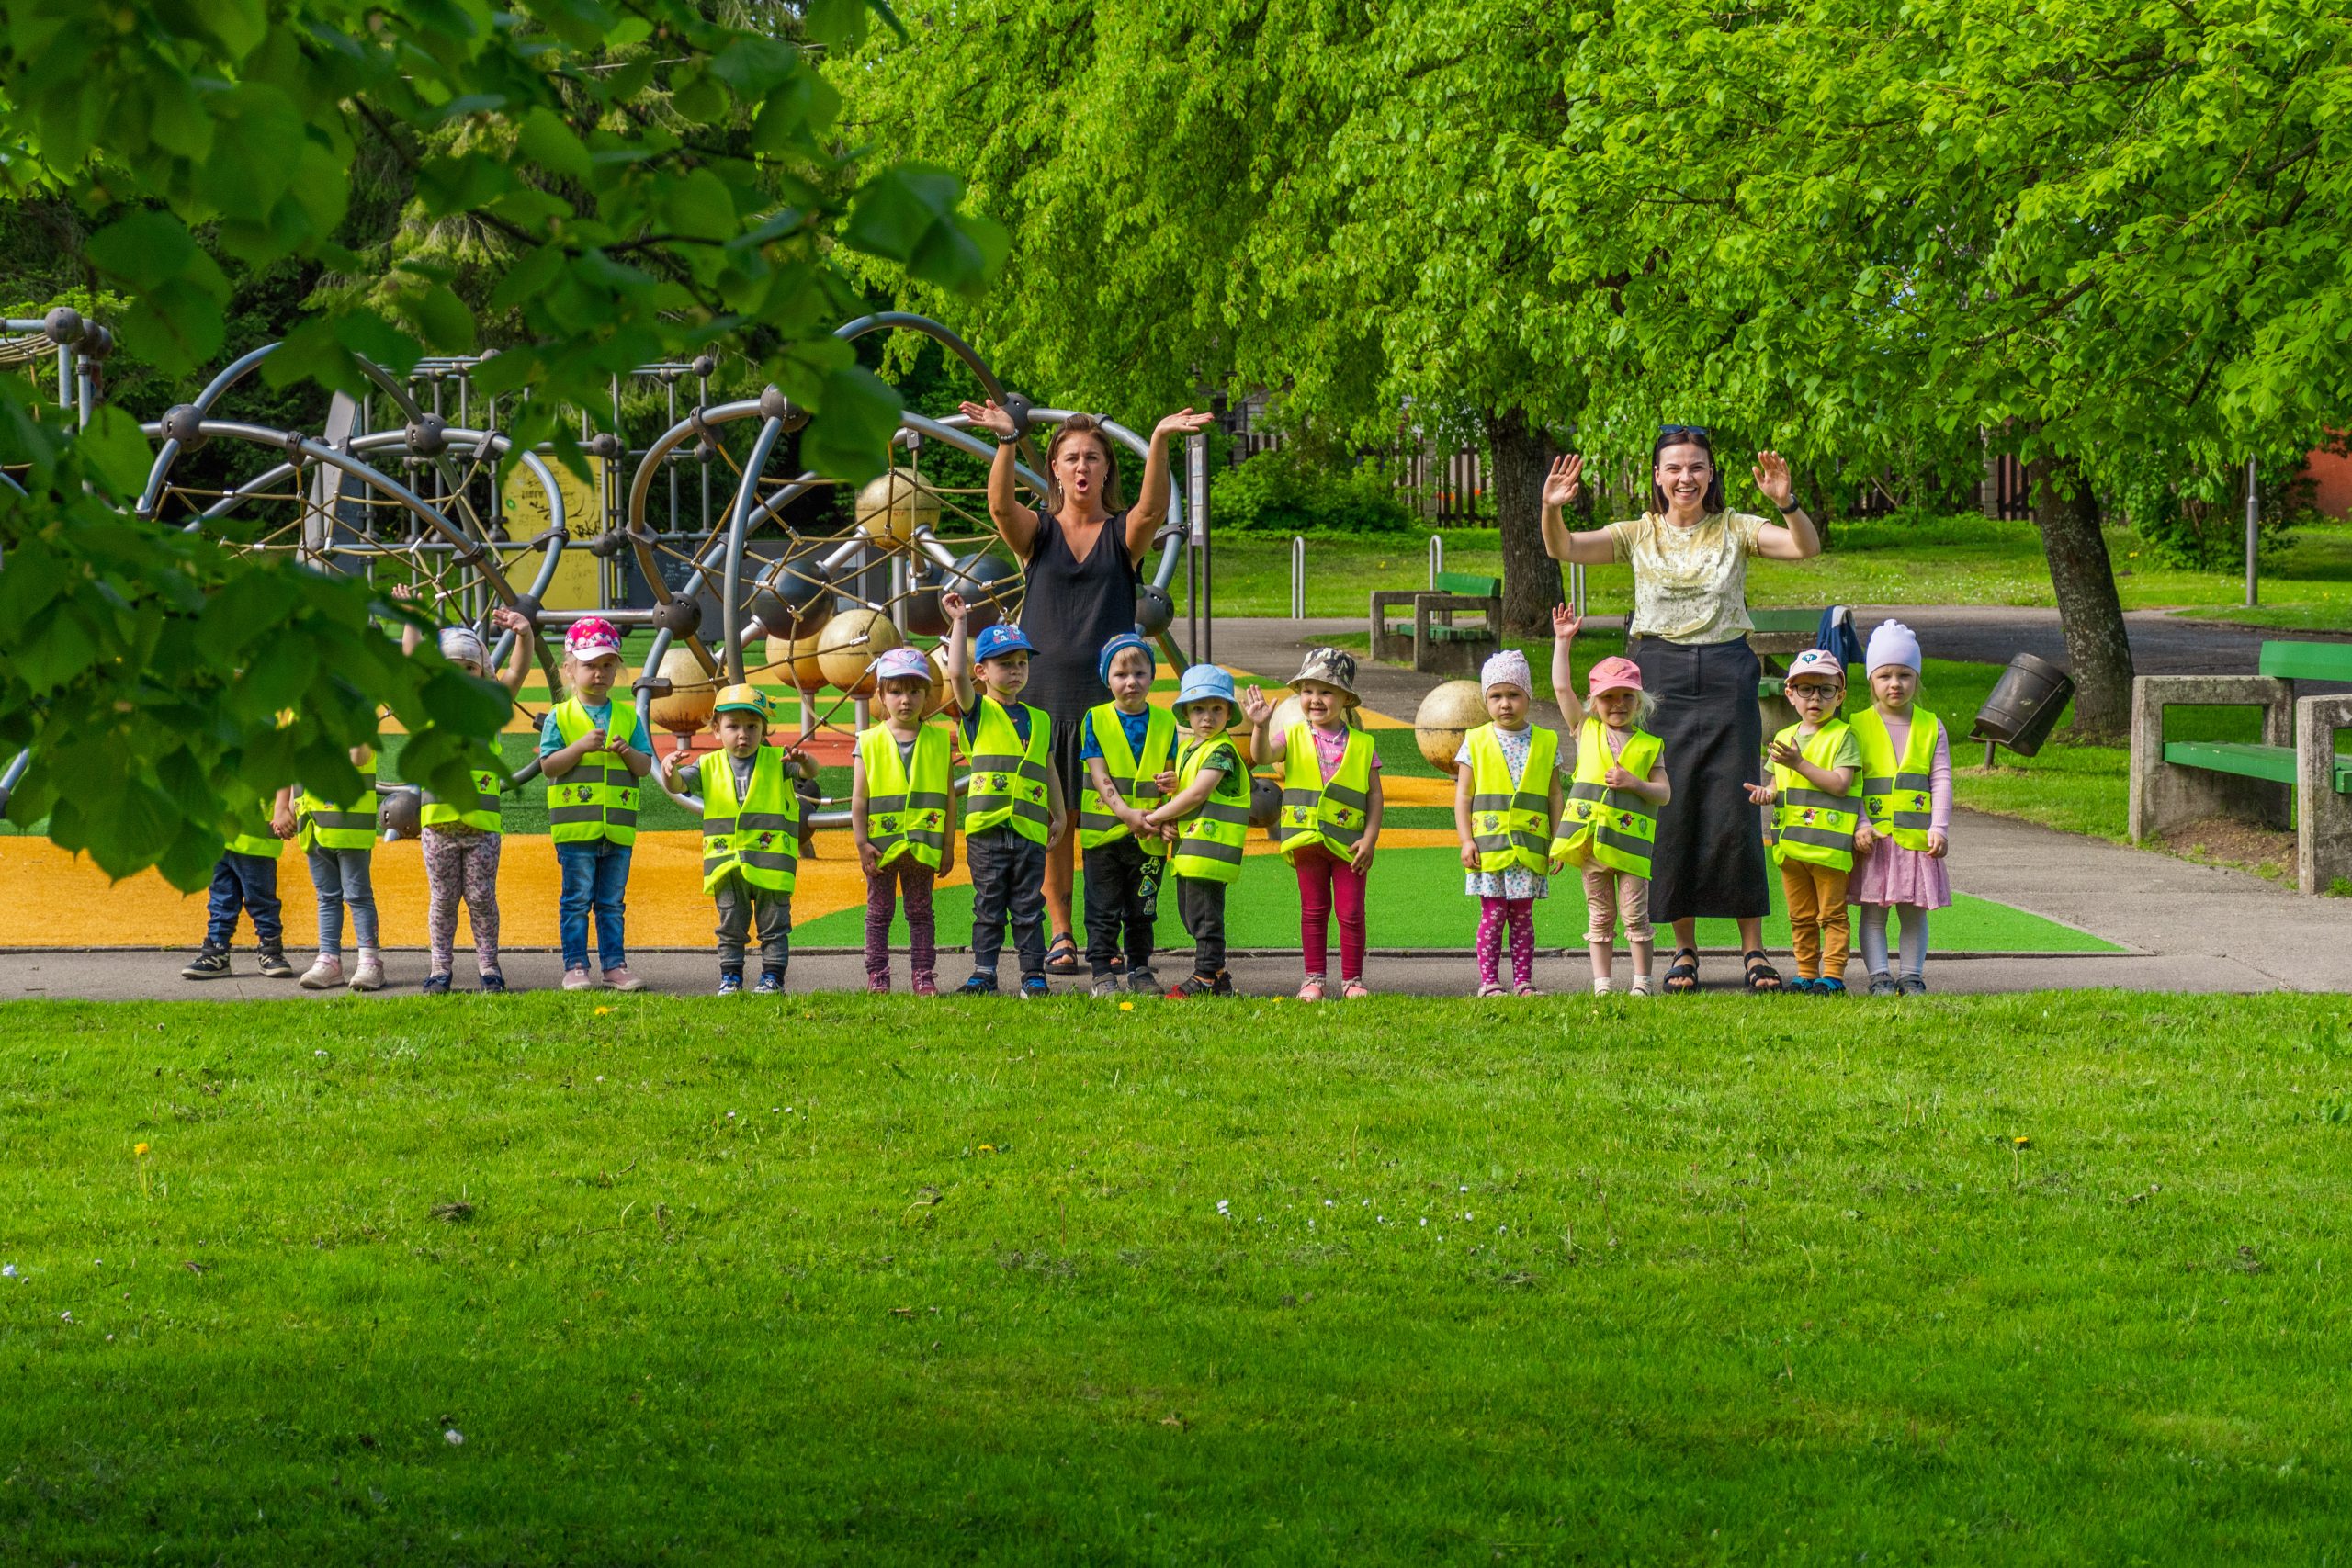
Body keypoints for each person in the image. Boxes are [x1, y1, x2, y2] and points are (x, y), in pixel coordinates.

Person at [1539, 428, 1824, 993]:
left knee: (1734, 804)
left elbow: (1804, 548)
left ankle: (1754, 951)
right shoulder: (1638, 532)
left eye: (1696, 467)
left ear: (1711, 473)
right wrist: (1551, 509)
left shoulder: (1736, 528)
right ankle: (1683, 950)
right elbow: (1562, 547)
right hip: (1659, 674)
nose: (1685, 478)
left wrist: (1786, 502)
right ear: (1657, 476)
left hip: (1725, 672)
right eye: (1673, 468)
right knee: (1670, 807)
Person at [958, 397, 1216, 976]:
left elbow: (1153, 508)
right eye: (1071, 457)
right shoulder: (1039, 534)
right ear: (1054, 468)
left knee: (1108, 822)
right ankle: (1061, 932)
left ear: (1105, 470)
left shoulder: (1122, 535)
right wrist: (1006, 441)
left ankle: (1109, 933)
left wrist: (1158, 437)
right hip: (1044, 699)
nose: (1082, 466)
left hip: (1107, 707)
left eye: (1093, 458)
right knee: (1054, 822)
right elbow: (1000, 507)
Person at [398, 596, 534, 995]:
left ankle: (489, 967)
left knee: (481, 898)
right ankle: (440, 968)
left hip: (482, 828)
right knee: (442, 900)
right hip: (438, 827)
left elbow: (516, 671)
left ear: (482, 672)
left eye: (469, 668)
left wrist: (524, 634)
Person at [1245, 647, 1383, 1000]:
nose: (1315, 699)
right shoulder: (1291, 734)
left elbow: (1374, 796)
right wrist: (1259, 726)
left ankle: (1352, 981)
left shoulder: (1363, 744)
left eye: (1326, 691)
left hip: (1350, 845)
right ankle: (1314, 979)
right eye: (1308, 690)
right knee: (1313, 911)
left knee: (1351, 912)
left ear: (1346, 698)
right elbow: (1262, 756)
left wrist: (1370, 839)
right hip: (1306, 841)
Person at [1551, 615, 1672, 995]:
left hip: (1631, 849)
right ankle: (1602, 984)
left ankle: (1642, 982)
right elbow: (1561, 687)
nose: (1617, 704)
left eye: (1626, 697)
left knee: (1636, 916)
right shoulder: (1585, 730)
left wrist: (1635, 783)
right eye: (1607, 697)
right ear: (1594, 703)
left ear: (1639, 701)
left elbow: (1664, 793)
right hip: (1591, 846)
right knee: (1600, 916)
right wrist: (1563, 641)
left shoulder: (1650, 746)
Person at [948, 621, 1067, 997]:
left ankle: (1033, 974)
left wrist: (1060, 814)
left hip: (1029, 830)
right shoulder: (977, 711)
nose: (1016, 670)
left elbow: (1048, 768)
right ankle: (984, 973)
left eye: (1021, 663)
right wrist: (959, 622)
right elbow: (955, 674)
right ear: (981, 671)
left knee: (1029, 906)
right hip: (987, 830)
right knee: (989, 906)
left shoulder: (1040, 719)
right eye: (1004, 663)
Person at [852, 613, 965, 996]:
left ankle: (923, 974)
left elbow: (949, 798)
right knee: (878, 913)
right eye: (897, 691)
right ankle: (877, 974)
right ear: (881, 696)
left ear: (926, 695)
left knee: (920, 912)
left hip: (922, 845)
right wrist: (861, 842)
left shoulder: (938, 741)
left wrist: (948, 845)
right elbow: (860, 799)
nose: (906, 699)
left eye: (915, 691)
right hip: (881, 848)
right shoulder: (868, 741)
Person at [661, 684, 797, 995]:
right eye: (733, 726)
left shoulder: (777, 760)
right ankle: (731, 977)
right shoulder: (708, 764)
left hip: (770, 863)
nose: (743, 734)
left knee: (774, 925)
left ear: (764, 729)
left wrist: (805, 761)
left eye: (752, 727)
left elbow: (808, 773)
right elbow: (678, 785)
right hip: (726, 863)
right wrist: (670, 771)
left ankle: (773, 977)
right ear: (716, 729)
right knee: (730, 924)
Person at [540, 617, 652, 991]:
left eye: (607, 665)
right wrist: (578, 747)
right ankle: (575, 965)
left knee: (611, 903)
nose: (599, 673)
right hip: (576, 829)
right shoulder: (560, 716)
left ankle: (614, 966)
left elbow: (644, 766)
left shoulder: (627, 716)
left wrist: (627, 752)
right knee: (575, 901)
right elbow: (548, 765)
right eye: (590, 665)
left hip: (617, 829)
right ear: (569, 669)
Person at [1745, 649, 1862, 994]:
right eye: (1806, 689)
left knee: (1832, 916)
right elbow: (1777, 783)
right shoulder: (1784, 738)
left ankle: (1833, 976)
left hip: (1829, 849)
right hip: (1791, 847)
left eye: (1825, 690)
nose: (1815, 698)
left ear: (1840, 695)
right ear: (1790, 694)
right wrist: (1766, 794)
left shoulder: (1844, 736)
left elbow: (1840, 784)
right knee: (1800, 916)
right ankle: (1806, 972)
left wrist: (1799, 763)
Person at [1848, 619, 1953, 996]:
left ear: (1917, 678)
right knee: (1873, 914)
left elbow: (1941, 779)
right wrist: (1860, 824)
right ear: (1871, 680)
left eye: (1905, 675)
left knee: (1914, 914)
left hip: (1916, 840)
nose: (1895, 683)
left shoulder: (1931, 726)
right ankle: (1878, 975)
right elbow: (1852, 782)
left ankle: (1912, 975)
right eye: (1885, 675)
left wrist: (1938, 827)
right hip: (1874, 841)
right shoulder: (1856, 726)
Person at [1453, 649, 1562, 998]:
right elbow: (1464, 796)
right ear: (1486, 700)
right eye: (1496, 696)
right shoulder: (1475, 741)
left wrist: (1558, 841)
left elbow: (1554, 796)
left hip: (1529, 847)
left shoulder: (1546, 741)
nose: (1505, 704)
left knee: (1523, 916)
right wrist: (1466, 840)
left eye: (1514, 694)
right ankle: (1489, 982)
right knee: (1493, 914)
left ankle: (1523, 982)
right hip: (1490, 849)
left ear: (1528, 695)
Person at [1079, 632, 1177, 995]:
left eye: (1139, 673)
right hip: (1105, 834)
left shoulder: (1166, 722)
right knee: (1102, 908)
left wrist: (1169, 804)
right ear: (1107, 679)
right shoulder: (1096, 719)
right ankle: (1102, 972)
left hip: (1149, 836)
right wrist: (1127, 815)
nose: (1131, 682)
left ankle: (1140, 968)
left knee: (1142, 908)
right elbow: (1099, 773)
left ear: (1152, 677)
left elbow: (1172, 776)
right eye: (1121, 675)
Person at [1143, 665, 1250, 998]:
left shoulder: (1222, 750)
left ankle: (1205, 975)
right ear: (1187, 714)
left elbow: (1198, 793)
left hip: (1211, 849)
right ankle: (1218, 977)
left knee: (1204, 917)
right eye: (1199, 708)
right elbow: (1187, 790)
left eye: (1217, 708)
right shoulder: (1191, 749)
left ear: (1228, 713)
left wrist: (1156, 817)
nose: (1207, 717)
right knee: (1192, 915)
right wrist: (1172, 797)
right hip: (1191, 849)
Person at [181, 785, 297, 981]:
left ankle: (270, 950)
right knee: (221, 900)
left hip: (256, 839)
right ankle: (217, 950)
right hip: (219, 835)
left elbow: (282, 775)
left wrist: (282, 808)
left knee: (261, 900)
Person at [294, 743, 383, 992]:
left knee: (358, 896)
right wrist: (289, 805)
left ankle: (369, 961)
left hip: (349, 830)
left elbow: (358, 757)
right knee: (326, 896)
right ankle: (329, 959)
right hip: (313, 827)